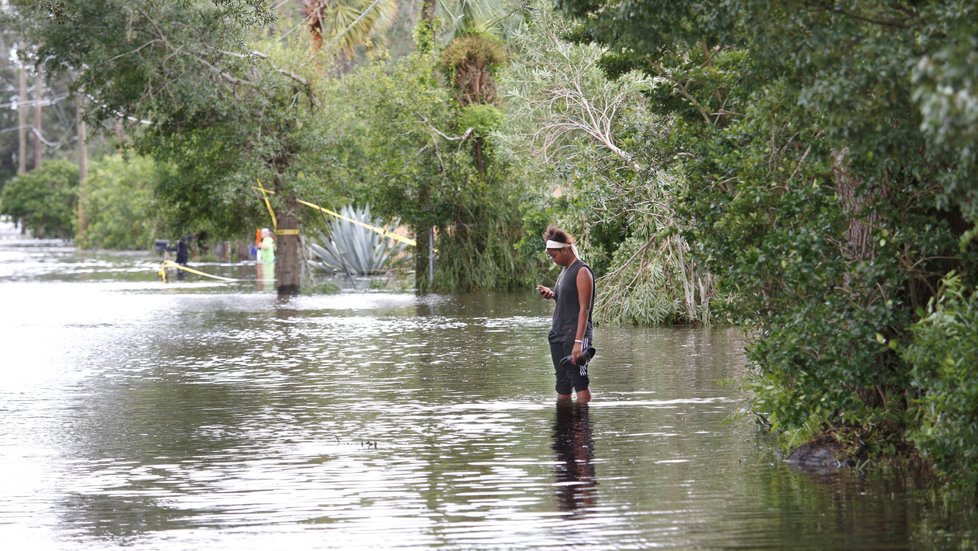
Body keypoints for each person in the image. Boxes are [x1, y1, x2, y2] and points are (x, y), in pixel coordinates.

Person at [537, 226, 595, 403]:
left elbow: (584, 309)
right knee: (562, 385)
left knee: (579, 382)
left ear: (564, 249)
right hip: (558, 334)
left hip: (575, 336)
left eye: (554, 255)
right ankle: (563, 429)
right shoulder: (564, 271)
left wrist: (578, 342)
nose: (553, 259)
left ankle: (583, 428)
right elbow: (567, 300)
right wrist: (552, 294)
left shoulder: (582, 271)